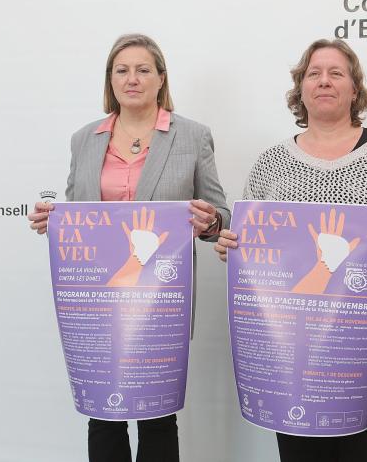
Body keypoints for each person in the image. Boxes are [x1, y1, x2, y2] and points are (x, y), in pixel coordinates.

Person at [214, 38, 367, 462]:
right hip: (294, 334)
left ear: (354, 89)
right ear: (300, 89)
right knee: (304, 451)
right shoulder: (270, 164)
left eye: (336, 73)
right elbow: (252, 244)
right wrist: (236, 249)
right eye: (314, 73)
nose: (324, 81)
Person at [28, 33, 230, 462]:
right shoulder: (84, 139)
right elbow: (79, 213)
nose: (132, 78)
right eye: (122, 70)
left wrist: (210, 221)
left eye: (142, 70)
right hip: (98, 298)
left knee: (157, 416)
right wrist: (56, 222)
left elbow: (221, 217)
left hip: (160, 300)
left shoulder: (192, 136)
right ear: (111, 79)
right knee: (102, 416)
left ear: (161, 78)